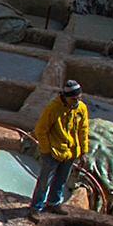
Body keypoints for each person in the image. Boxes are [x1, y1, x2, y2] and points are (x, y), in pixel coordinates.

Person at [30, 80, 90, 216]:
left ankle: (53, 203)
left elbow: (83, 130)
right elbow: (40, 130)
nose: (76, 101)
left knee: (61, 180)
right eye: (73, 98)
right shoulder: (52, 109)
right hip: (53, 152)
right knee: (44, 182)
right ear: (66, 97)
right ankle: (36, 207)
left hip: (70, 152)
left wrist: (83, 151)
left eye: (79, 98)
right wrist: (46, 149)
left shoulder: (81, 108)